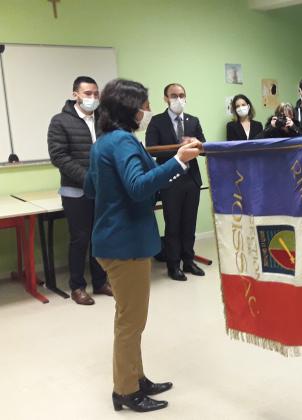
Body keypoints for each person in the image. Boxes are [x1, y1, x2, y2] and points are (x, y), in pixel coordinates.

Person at [85, 78, 201, 412]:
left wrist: (174, 159)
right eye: (144, 104)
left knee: (129, 318)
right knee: (131, 322)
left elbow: (94, 188)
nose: (147, 110)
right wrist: (178, 161)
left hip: (113, 240)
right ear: (130, 108)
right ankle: (125, 391)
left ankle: (136, 378)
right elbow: (138, 187)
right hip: (125, 245)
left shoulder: (106, 142)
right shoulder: (122, 141)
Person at [47, 76, 111, 305]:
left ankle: (101, 281)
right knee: (80, 238)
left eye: (95, 93)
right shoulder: (60, 121)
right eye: (87, 93)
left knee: (100, 237)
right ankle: (77, 286)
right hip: (76, 190)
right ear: (75, 94)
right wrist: (88, 179)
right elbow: (59, 156)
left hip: (103, 190)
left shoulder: (104, 119)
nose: (92, 98)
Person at [145, 83, 206, 281]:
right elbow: (152, 150)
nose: (178, 99)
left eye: (181, 95)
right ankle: (173, 265)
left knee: (189, 223)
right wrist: (180, 149)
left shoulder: (193, 120)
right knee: (173, 225)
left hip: (192, 179)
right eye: (174, 96)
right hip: (170, 180)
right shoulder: (157, 121)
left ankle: (188, 260)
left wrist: (196, 144)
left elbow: (204, 148)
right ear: (166, 98)